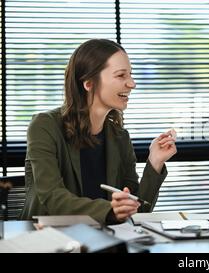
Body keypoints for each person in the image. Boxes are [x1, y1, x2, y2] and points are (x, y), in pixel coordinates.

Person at [20, 39, 177, 225]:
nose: (132, 84)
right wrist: (109, 210)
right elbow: (52, 198)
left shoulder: (120, 137)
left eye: (131, 75)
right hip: (48, 239)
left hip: (104, 239)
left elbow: (137, 210)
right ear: (89, 83)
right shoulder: (45, 127)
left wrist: (155, 162)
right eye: (121, 76)